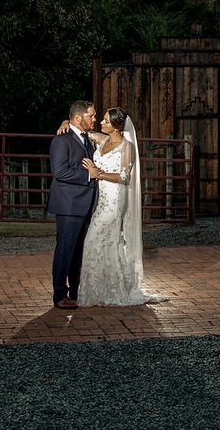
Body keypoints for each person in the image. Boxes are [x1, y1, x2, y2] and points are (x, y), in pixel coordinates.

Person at [76, 107, 165, 306]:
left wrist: (98, 173)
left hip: (115, 198)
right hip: (101, 199)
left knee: (102, 239)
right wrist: (66, 123)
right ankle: (97, 290)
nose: (101, 123)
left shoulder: (127, 147)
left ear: (116, 126)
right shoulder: (103, 140)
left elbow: (125, 177)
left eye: (106, 121)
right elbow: (86, 133)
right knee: (96, 242)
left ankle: (114, 290)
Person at [49, 100, 98, 309]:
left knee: (78, 253)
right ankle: (60, 295)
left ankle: (75, 292)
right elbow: (59, 172)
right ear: (79, 118)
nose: (94, 119)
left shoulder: (87, 139)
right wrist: (89, 174)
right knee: (65, 251)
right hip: (69, 206)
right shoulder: (62, 141)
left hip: (84, 205)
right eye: (91, 116)